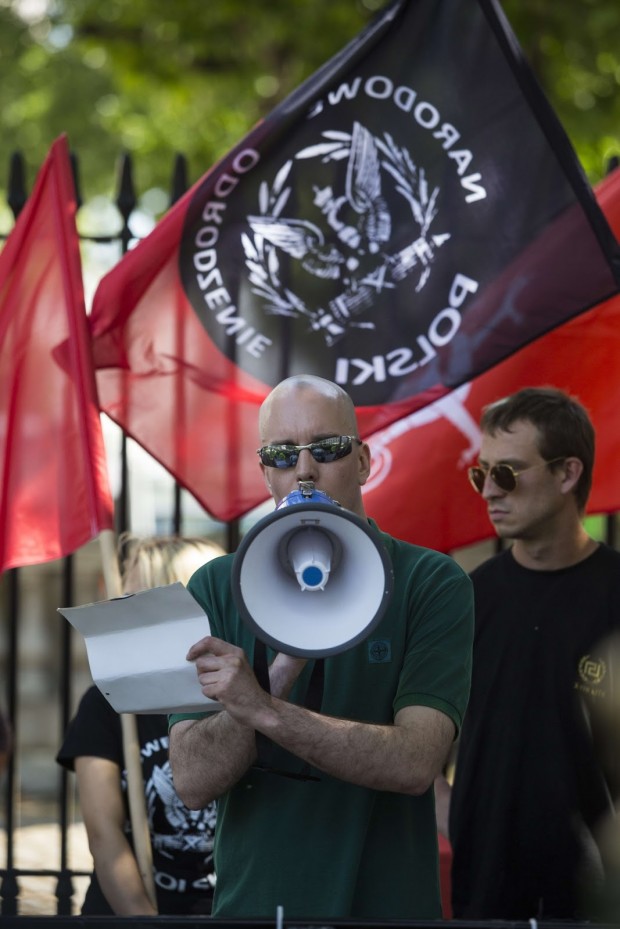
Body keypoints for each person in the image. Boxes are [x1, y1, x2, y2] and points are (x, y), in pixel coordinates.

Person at [168, 374, 474, 920]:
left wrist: (260, 707)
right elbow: (192, 781)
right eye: (282, 454)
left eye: (327, 449)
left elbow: (415, 763)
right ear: (265, 472)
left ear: (361, 461)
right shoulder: (214, 585)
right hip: (256, 908)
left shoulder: (432, 581)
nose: (304, 470)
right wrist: (283, 666)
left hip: (386, 909)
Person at [444, 386, 620, 920]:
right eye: (482, 474)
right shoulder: (467, 598)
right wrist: (462, 818)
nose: (489, 492)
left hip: (596, 901)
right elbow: (418, 743)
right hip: (484, 894)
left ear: (567, 475)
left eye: (508, 473)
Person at [57, 534, 224, 916]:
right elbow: (103, 834)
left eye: (138, 600)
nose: (124, 613)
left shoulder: (242, 696)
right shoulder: (106, 704)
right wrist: (143, 921)